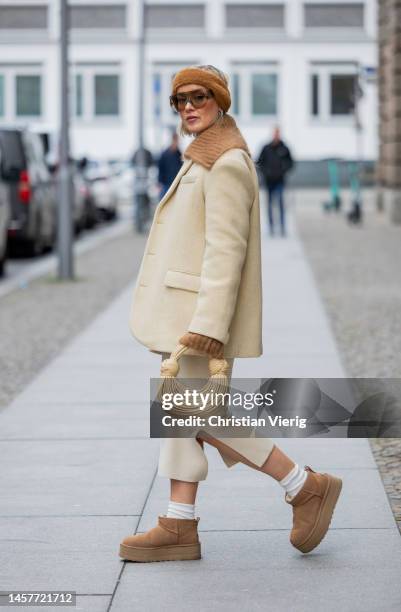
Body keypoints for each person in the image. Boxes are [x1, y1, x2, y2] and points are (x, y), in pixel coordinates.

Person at [120, 65, 342, 563]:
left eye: (199, 97)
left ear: (220, 101)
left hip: (198, 316)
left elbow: (226, 251)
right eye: (180, 101)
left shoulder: (227, 161)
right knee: (180, 413)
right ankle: (180, 525)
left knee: (197, 411)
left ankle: (304, 485)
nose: (189, 107)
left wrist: (208, 326)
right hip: (184, 310)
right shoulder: (202, 155)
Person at [257, 126, 294, 236]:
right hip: (269, 182)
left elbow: (290, 163)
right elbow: (259, 163)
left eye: (278, 133)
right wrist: (265, 173)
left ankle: (282, 227)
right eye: (275, 133)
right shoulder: (266, 148)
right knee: (269, 205)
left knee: (280, 203)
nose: (276, 135)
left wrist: (283, 170)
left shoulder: (285, 148)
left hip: (280, 181)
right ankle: (271, 227)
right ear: (272, 134)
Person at [157, 132, 183, 199]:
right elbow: (160, 169)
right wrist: (159, 183)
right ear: (172, 140)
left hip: (176, 183)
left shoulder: (179, 154)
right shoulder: (165, 154)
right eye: (175, 140)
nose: (176, 142)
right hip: (166, 183)